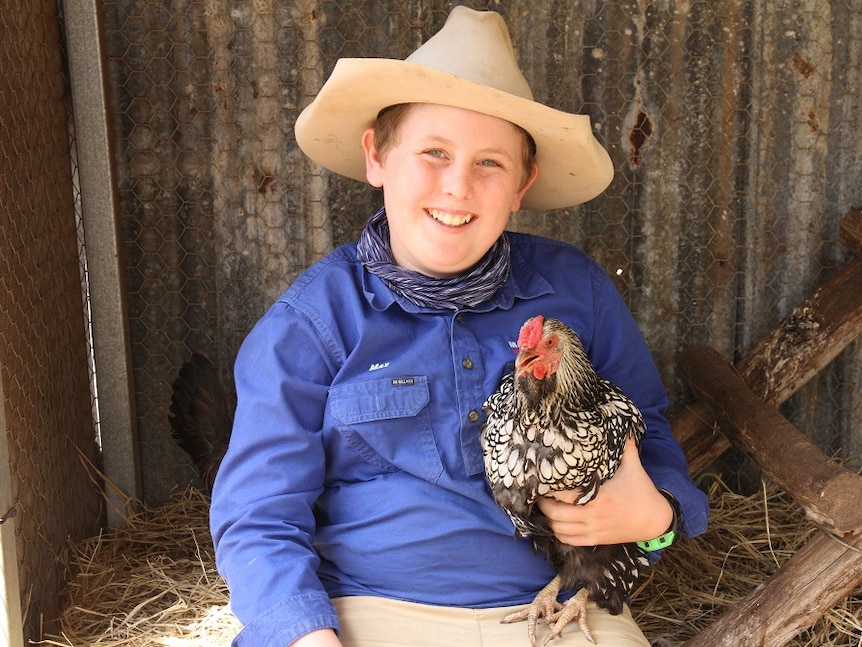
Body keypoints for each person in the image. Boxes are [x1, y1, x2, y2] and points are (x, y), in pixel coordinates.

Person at [209, 7, 709, 647]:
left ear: (523, 182)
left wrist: (658, 511)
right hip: (365, 609)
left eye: (490, 164)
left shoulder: (574, 290)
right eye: (433, 153)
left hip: (553, 607)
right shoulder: (313, 322)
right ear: (377, 157)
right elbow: (258, 515)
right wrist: (305, 633)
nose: (458, 187)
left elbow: (649, 429)